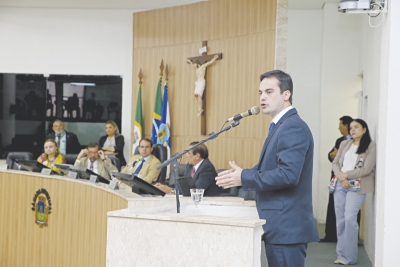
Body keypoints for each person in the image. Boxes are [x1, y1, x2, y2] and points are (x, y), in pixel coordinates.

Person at [215, 70, 319, 267]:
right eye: (260, 92)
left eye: (269, 92)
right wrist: (242, 173)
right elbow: (272, 168)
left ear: (286, 94)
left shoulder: (291, 127)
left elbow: (288, 175)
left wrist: (244, 177)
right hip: (280, 226)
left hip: (286, 227)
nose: (263, 97)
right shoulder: (281, 125)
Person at [332, 119, 376, 265]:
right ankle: (340, 254)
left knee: (350, 219)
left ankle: (350, 257)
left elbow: (366, 169)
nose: (352, 130)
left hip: (357, 186)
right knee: (340, 221)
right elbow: (336, 163)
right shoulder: (345, 144)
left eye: (356, 127)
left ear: (364, 129)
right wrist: (341, 177)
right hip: (340, 184)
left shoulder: (370, 146)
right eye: (351, 127)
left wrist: (347, 175)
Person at [320, 115, 353, 243]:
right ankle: (331, 235)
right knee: (333, 206)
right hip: (336, 177)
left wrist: (337, 156)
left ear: (346, 126)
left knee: (349, 208)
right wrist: (332, 155)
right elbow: (332, 155)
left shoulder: (355, 141)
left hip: (349, 178)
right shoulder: (339, 140)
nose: (339, 128)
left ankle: (349, 238)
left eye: (340, 125)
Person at [155, 142, 223, 196]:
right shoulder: (190, 166)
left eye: (188, 153)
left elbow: (196, 190)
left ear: (197, 156)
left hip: (209, 203)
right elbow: (182, 185)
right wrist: (163, 187)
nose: (186, 156)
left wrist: (170, 190)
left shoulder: (207, 168)